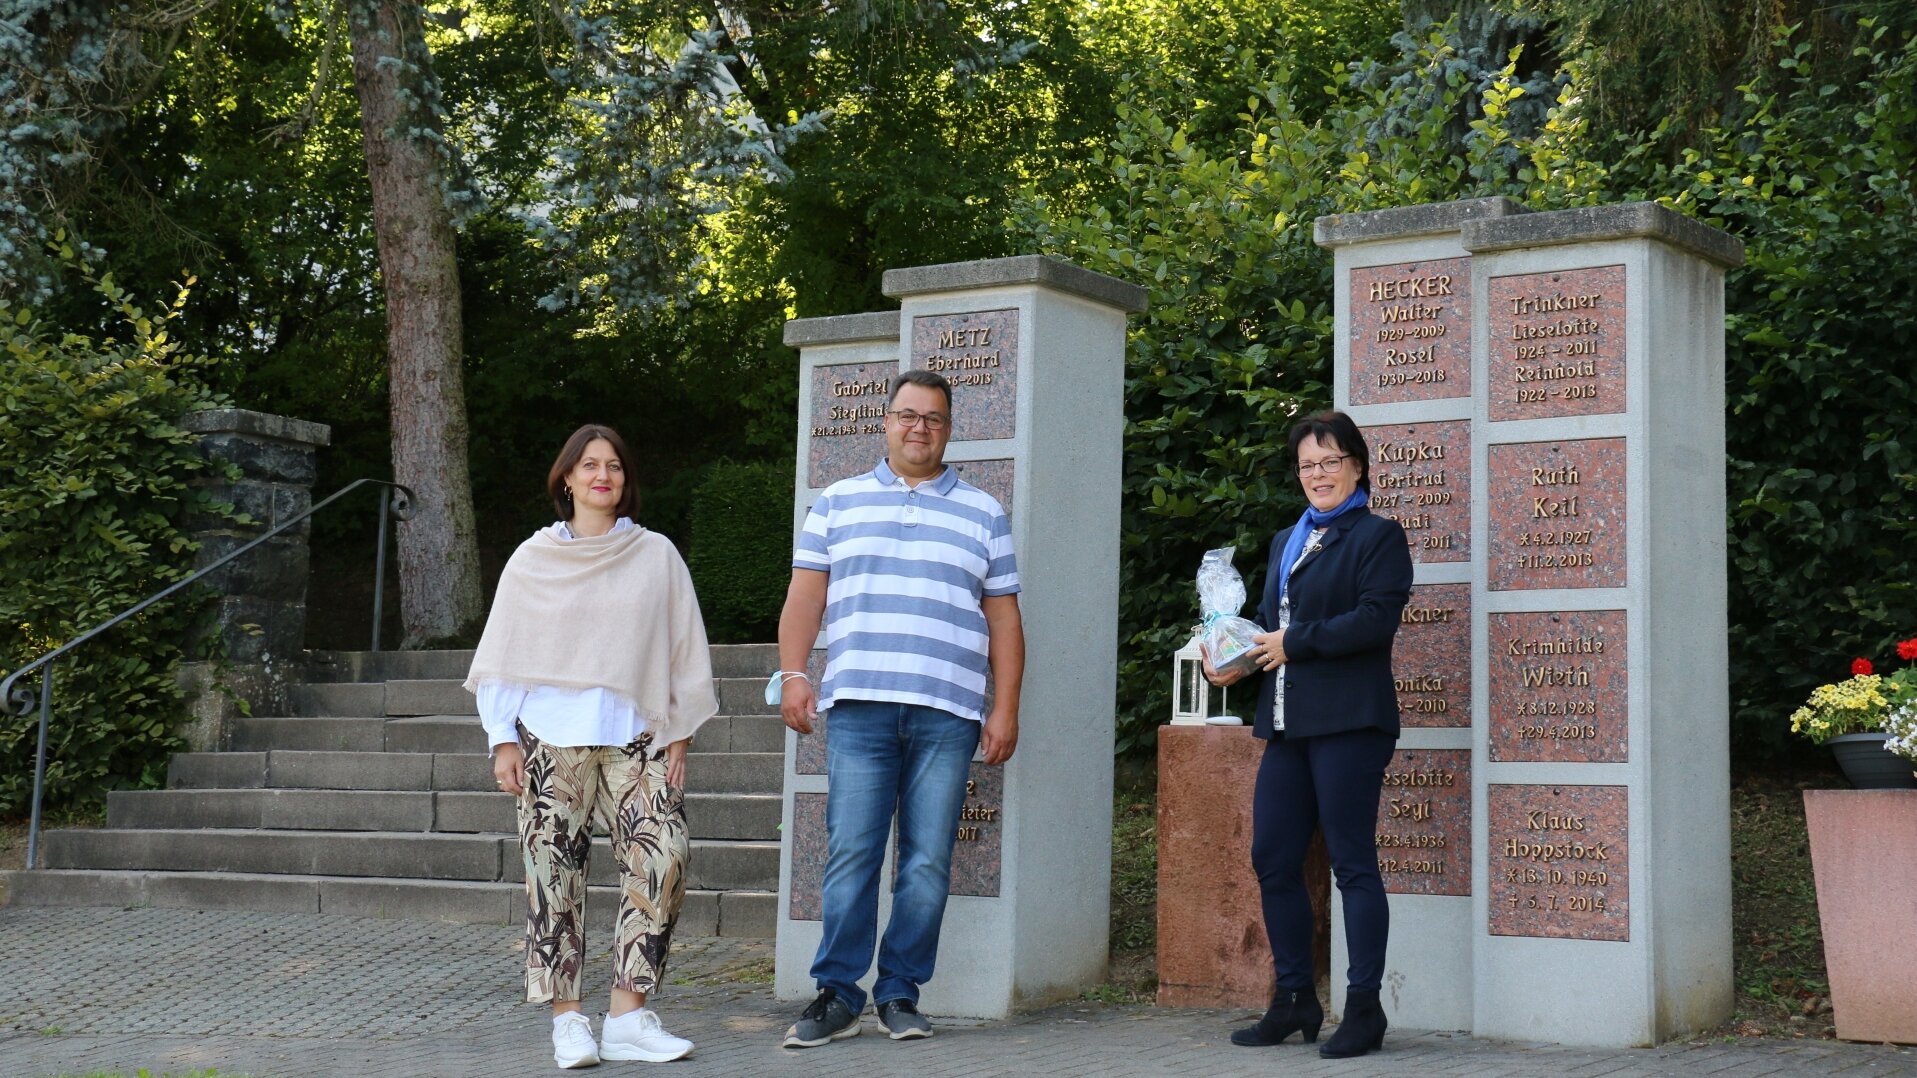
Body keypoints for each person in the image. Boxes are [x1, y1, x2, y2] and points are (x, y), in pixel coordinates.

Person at [775, 368, 1026, 1048]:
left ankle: (900, 994)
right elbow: (805, 599)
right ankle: (835, 994)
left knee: (925, 862)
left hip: (948, 712)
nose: (919, 427)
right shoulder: (836, 502)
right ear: (884, 421)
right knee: (851, 852)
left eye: (933, 419)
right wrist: (794, 673)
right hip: (857, 706)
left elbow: (1003, 620)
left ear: (949, 430)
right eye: (907, 415)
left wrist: (1004, 708)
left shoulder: (983, 511)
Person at [464, 423, 719, 1070]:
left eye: (613, 466)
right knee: (552, 881)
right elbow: (503, 658)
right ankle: (569, 1022)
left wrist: (679, 732)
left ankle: (629, 1017)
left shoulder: (654, 554)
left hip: (635, 742)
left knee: (665, 857)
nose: (602, 475)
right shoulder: (533, 559)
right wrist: (501, 741)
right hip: (549, 742)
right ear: (567, 478)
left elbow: (683, 643)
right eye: (588, 465)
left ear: (625, 481)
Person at [1204, 409, 1411, 1060]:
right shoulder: (1285, 541)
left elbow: (1374, 621)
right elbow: (1267, 626)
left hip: (1351, 720)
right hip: (1288, 726)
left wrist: (1296, 642)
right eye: (1307, 465)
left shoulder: (1378, 536)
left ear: (1356, 466)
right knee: (1272, 857)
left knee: (1352, 866)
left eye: (1330, 462)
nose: (1317, 474)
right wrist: (1229, 658)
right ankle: (1294, 999)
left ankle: (1364, 1009)